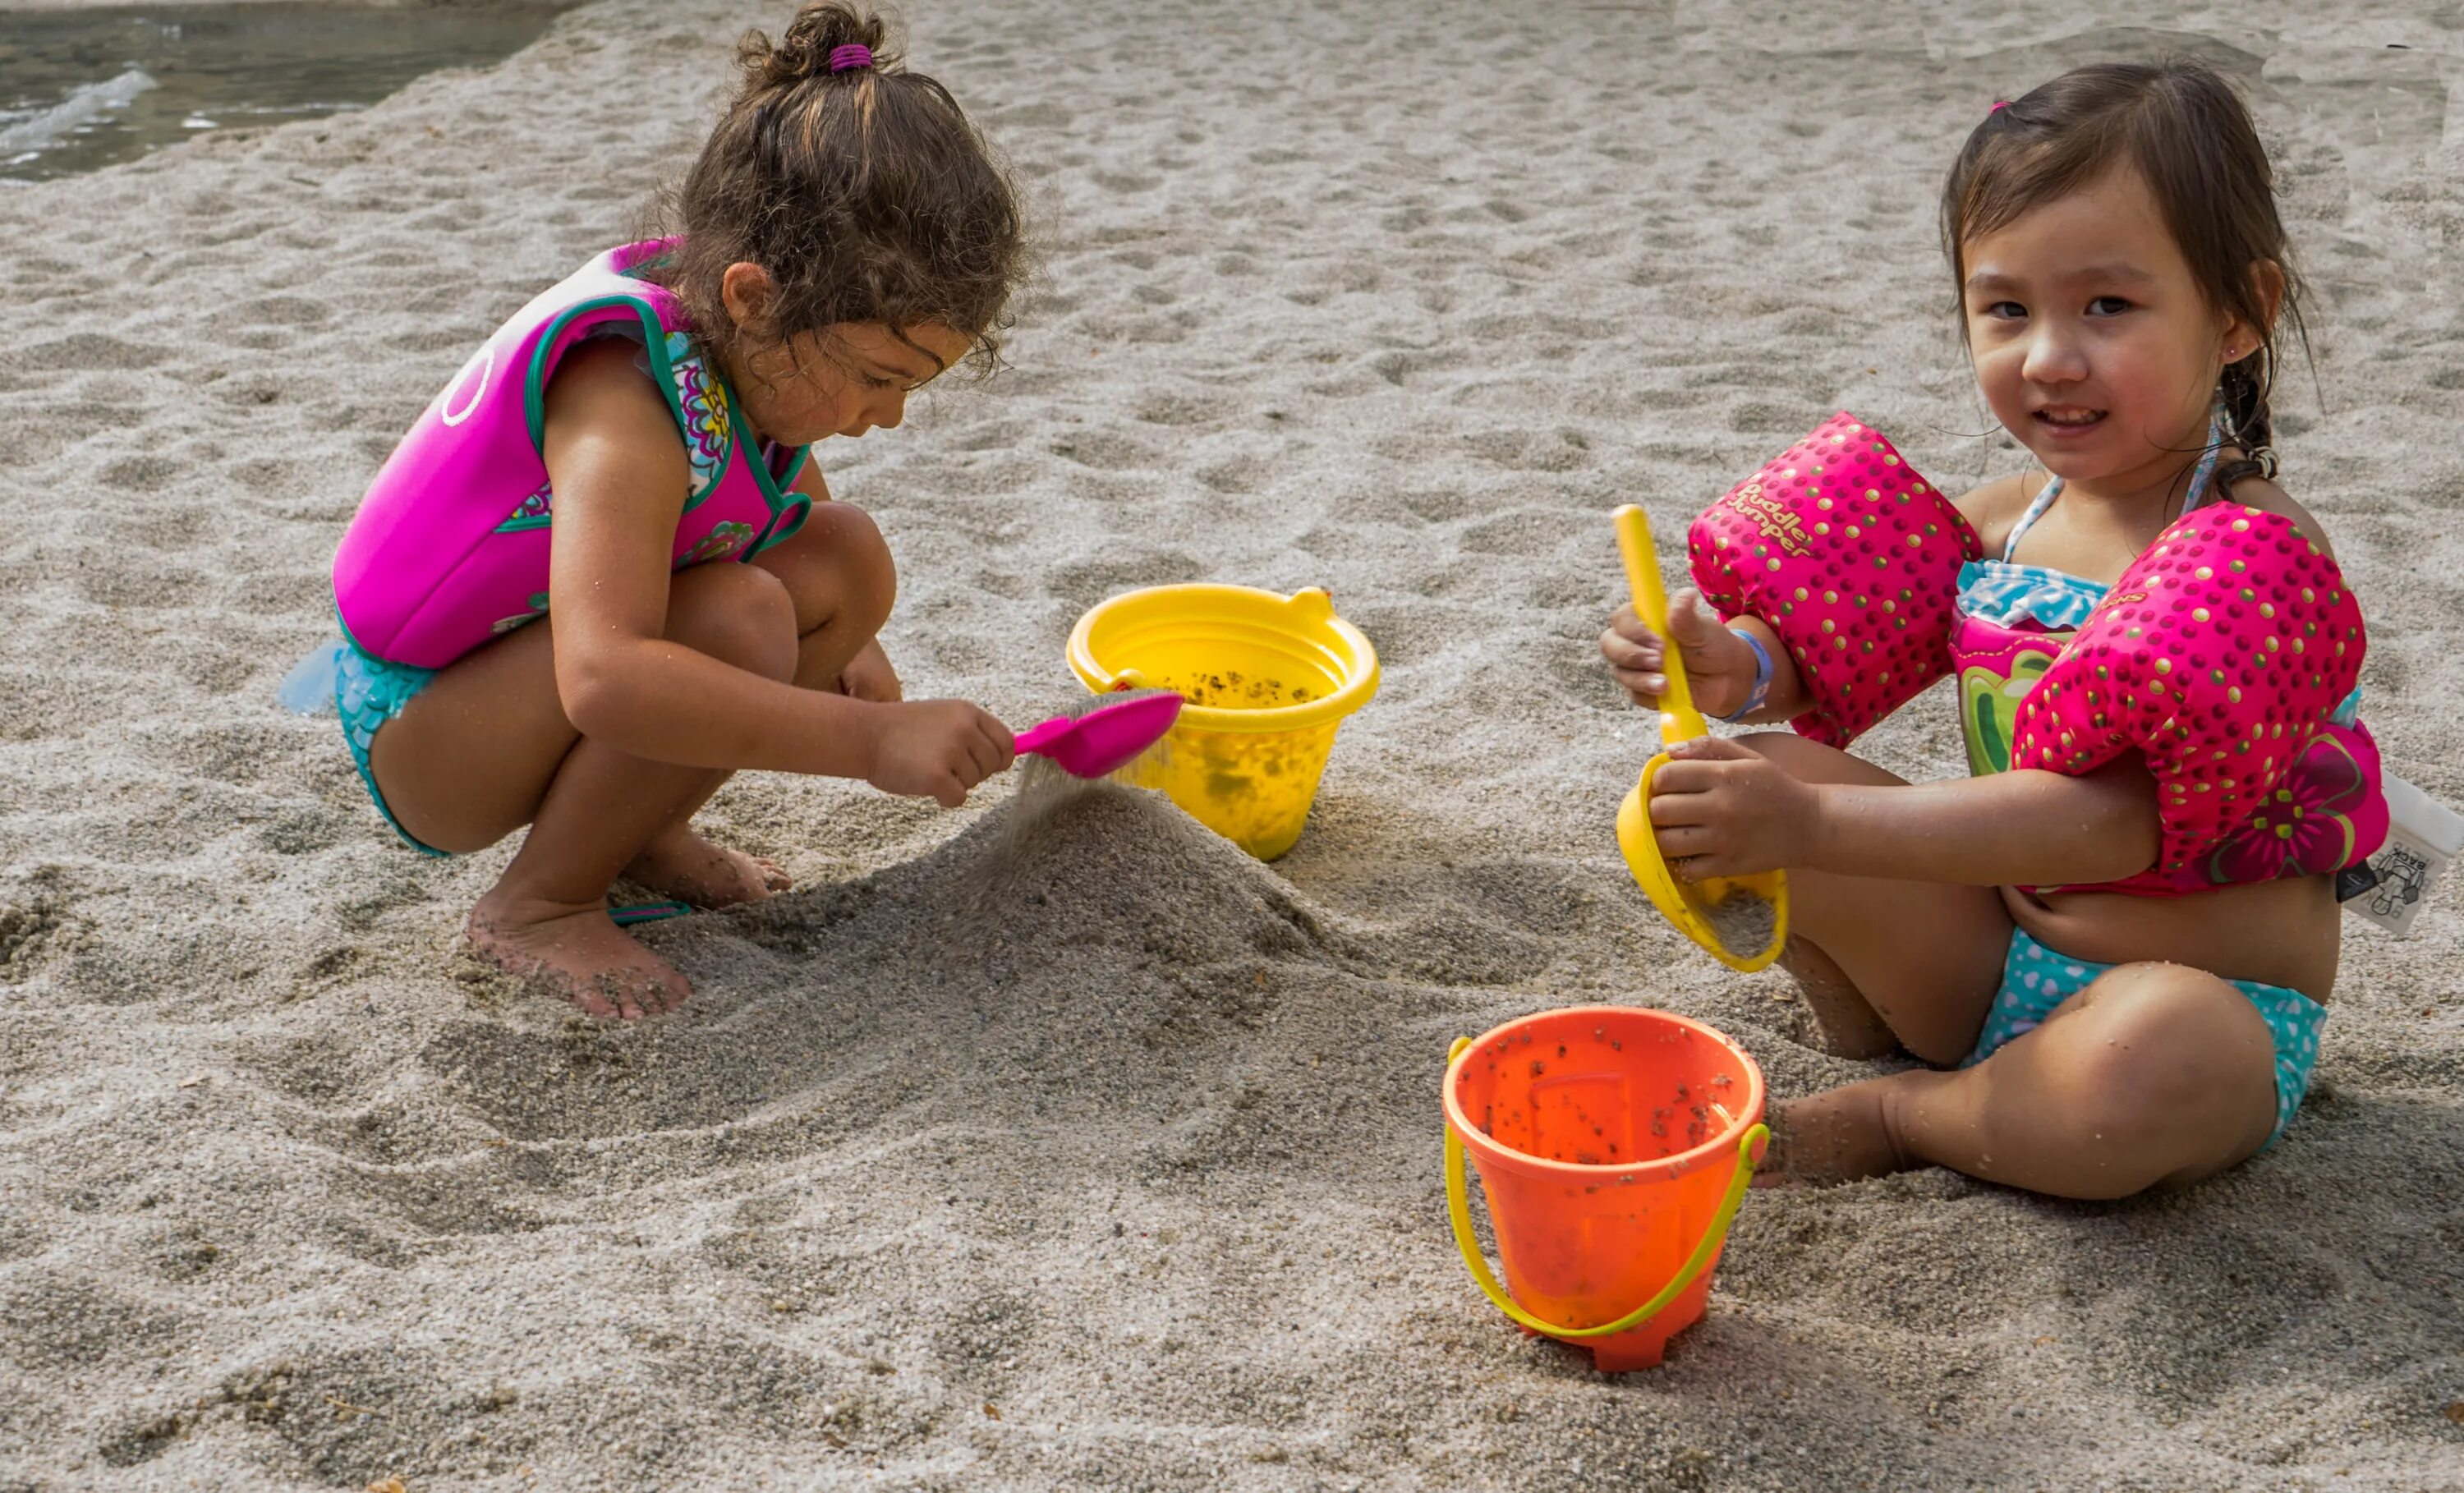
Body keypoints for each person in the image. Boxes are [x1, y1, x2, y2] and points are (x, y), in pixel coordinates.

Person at [1598, 61, 2385, 1197]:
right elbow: (1838, 649)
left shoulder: (2256, 556)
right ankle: (1886, 1023)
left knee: (2154, 1060)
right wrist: (1731, 664)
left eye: (2108, 306)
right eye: (2007, 308)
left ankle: (1908, 1110)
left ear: (2236, 315)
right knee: (1722, 779)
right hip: (1989, 955)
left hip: (2186, 1007)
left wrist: (1815, 822)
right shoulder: (2012, 523)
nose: (2049, 356)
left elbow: (2116, 826)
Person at [315, 2, 1022, 1018]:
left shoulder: (749, 346)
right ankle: (542, 902)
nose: (893, 417)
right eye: (877, 376)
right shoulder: (621, 406)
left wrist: (853, 652)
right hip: (429, 731)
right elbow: (604, 680)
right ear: (752, 296)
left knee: (846, 560)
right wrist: (867, 742)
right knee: (742, 617)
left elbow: (777, 495)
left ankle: (633, 835)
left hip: (515, 683)